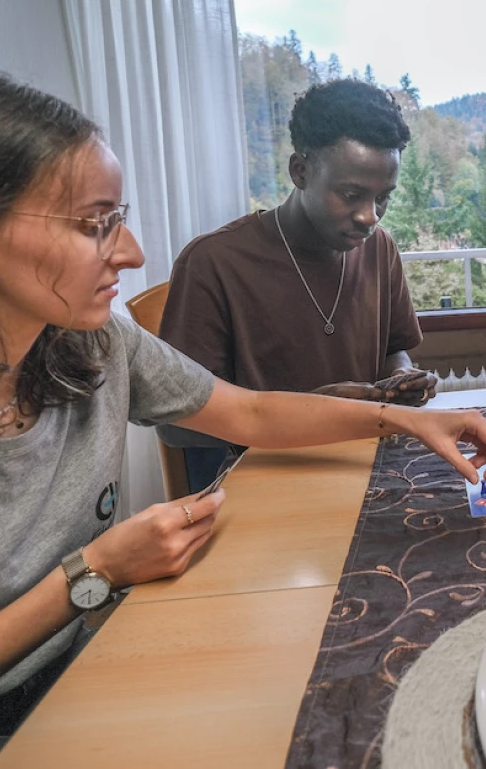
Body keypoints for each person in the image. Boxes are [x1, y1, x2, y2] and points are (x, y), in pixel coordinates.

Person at [0, 69, 486, 766]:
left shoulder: (98, 342)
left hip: (87, 656)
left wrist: (405, 420)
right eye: (94, 224)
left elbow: (252, 411)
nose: (132, 252)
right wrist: (92, 575)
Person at [159, 78, 436, 490]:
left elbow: (394, 349)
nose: (370, 216)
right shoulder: (213, 263)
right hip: (267, 484)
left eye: (383, 197)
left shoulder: (380, 249)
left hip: (365, 470)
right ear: (300, 171)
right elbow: (176, 427)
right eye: (351, 194)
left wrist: (402, 379)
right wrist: (311, 410)